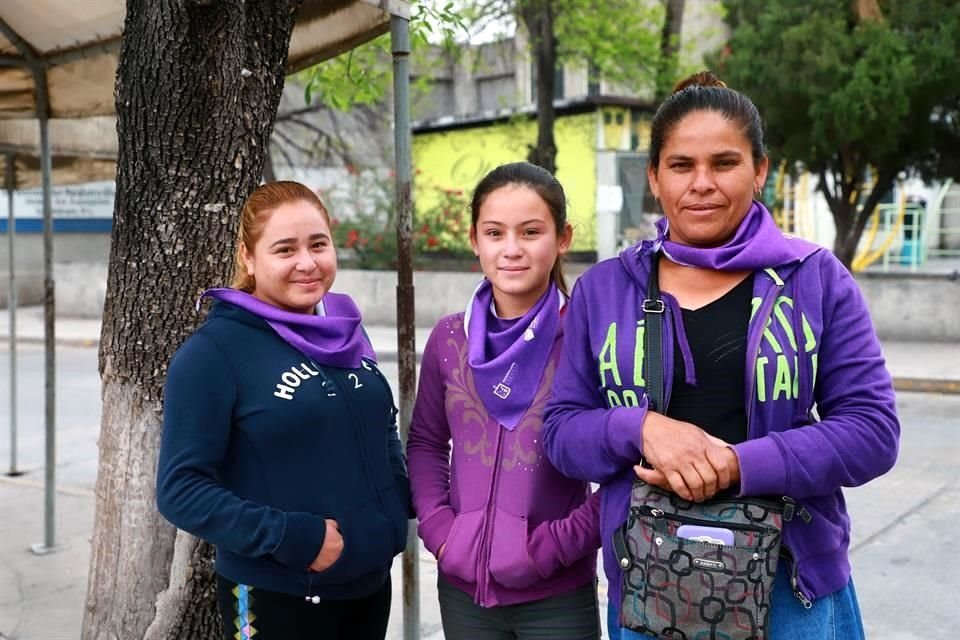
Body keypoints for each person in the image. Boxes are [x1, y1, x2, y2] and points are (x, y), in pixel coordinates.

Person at [542, 72, 900, 640]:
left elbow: (872, 432)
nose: (701, 184)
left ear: (760, 170)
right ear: (654, 178)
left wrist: (740, 465)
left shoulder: (815, 279)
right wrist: (640, 428)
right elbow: (561, 434)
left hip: (790, 589)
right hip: (650, 585)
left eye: (724, 163)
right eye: (681, 166)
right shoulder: (604, 289)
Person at [156, 181, 409, 640]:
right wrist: (293, 537)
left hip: (368, 586)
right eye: (285, 249)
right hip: (276, 595)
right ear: (249, 258)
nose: (307, 262)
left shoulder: (342, 329)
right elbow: (180, 490)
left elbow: (378, 423)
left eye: (318, 244)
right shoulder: (214, 353)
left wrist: (396, 496)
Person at [407, 162, 603, 640]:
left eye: (531, 232)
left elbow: (627, 465)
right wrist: (441, 533)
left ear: (562, 238)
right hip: (462, 592)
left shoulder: (590, 336)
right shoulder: (451, 338)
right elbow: (426, 443)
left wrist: (553, 547)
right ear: (475, 240)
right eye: (495, 233)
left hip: (557, 595)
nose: (511, 249)